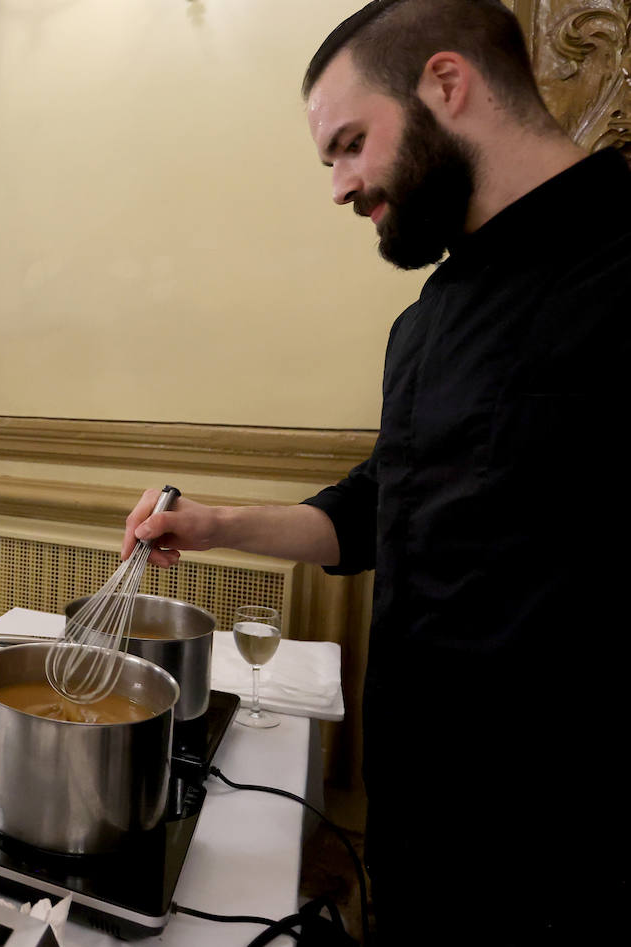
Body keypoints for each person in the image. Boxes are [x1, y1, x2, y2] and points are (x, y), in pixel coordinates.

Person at [123, 1, 628, 942]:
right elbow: (376, 507)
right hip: (427, 819)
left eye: (351, 144)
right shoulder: (427, 322)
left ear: (446, 84)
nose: (341, 186)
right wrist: (218, 521)